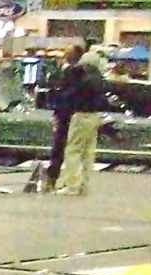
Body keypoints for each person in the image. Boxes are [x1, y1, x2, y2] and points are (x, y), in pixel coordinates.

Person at [57, 48, 112, 196]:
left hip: (81, 115)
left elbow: (70, 94)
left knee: (73, 150)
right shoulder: (99, 78)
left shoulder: (84, 78)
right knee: (88, 152)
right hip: (95, 117)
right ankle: (84, 184)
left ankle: (72, 185)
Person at [44, 44, 84, 185]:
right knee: (68, 149)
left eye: (68, 52)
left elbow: (64, 94)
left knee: (62, 147)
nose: (65, 55)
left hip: (68, 115)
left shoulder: (73, 73)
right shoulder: (79, 72)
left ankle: (56, 178)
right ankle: (63, 179)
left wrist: (57, 111)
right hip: (71, 114)